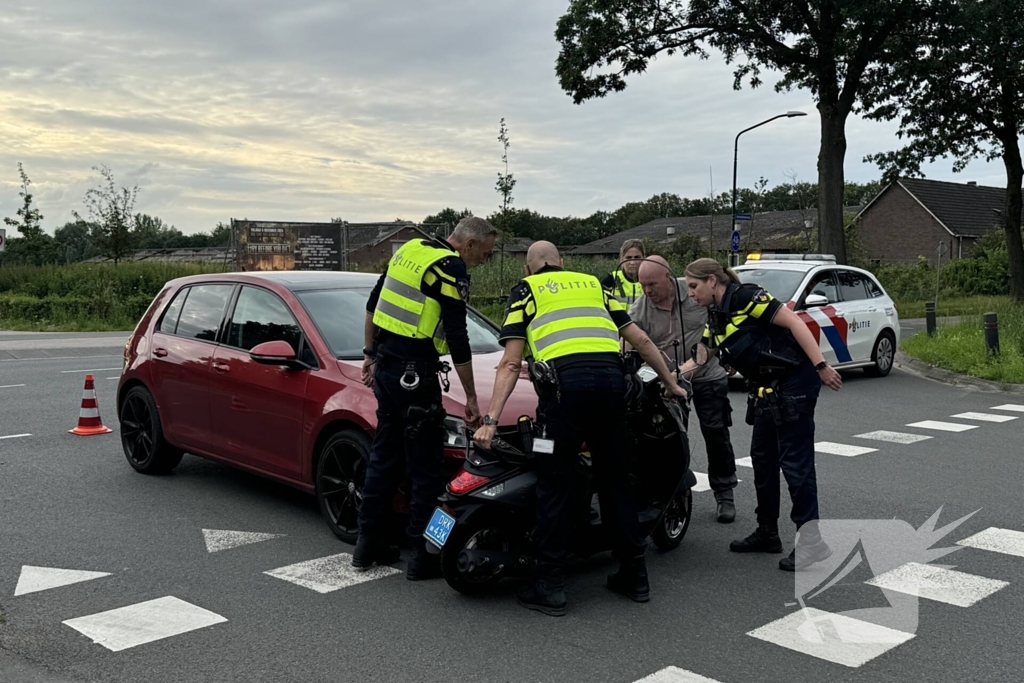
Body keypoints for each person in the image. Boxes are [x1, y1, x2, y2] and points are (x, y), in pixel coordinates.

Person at [473, 241, 688, 617]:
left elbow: (509, 363)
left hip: (565, 394)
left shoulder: (528, 290)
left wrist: (490, 420)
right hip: (611, 388)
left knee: (554, 484)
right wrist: (671, 382)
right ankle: (634, 575)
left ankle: (551, 585)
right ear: (562, 263)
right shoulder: (593, 284)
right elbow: (639, 338)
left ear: (529, 270)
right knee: (616, 481)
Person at [355, 217, 497, 580]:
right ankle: (423, 555)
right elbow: (457, 336)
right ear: (467, 246)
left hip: (387, 368)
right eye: (484, 254)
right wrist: (471, 398)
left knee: (383, 457)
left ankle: (367, 545)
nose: (483, 262)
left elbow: (373, 306)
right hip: (416, 375)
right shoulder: (450, 267)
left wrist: (370, 354)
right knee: (426, 469)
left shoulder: (409, 250)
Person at [679, 258, 842, 572]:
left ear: (713, 281)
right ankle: (767, 532)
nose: (691, 294)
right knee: (763, 460)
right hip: (768, 389)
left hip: (795, 382)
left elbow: (794, 322)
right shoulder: (717, 315)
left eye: (694, 286)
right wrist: (671, 376)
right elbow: (702, 355)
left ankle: (811, 542)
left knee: (796, 465)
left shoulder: (745, 297)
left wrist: (821, 366)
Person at [629, 255, 739, 524]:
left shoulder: (695, 293)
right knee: (670, 440)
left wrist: (730, 354)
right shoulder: (639, 309)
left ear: (668, 278)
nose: (648, 291)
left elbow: (722, 325)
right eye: (642, 285)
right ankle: (673, 496)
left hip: (707, 377)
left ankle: (725, 494)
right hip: (666, 384)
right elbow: (628, 344)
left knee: (715, 433)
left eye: (653, 284)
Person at [600, 239, 645, 305]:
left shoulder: (650, 282)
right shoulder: (611, 280)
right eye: (628, 258)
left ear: (644, 258)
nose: (632, 262)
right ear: (621, 259)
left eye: (637, 257)